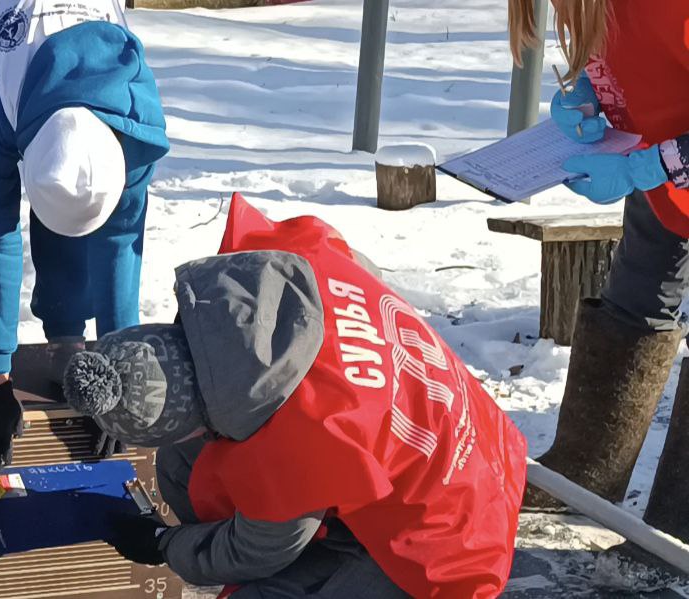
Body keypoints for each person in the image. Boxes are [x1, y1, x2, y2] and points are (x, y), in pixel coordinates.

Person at [62, 195, 528, 598]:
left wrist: (164, 545)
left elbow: (256, 550)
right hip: (474, 437)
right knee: (183, 466)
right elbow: (358, 263)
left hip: (448, 545)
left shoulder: (308, 439)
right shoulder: (271, 274)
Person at [0, 1, 169, 473]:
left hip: (50, 63)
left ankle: (68, 335)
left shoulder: (136, 121)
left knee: (73, 200)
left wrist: (117, 366)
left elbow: (120, 241)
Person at [508, 0, 689, 536]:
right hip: (664, 164)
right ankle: (585, 471)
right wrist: (597, 95)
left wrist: (652, 165)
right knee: (636, 293)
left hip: (668, 161)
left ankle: (678, 523)